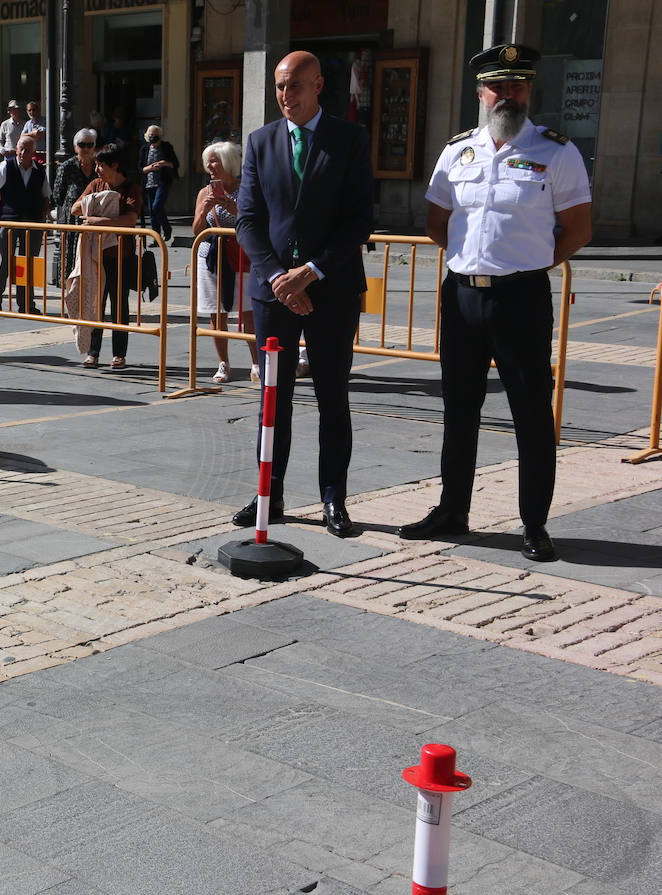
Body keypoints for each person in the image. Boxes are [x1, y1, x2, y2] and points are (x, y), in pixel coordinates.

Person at [397, 44, 592, 562]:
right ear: (480, 92)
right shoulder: (456, 151)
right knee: (459, 409)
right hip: (462, 295)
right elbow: (437, 223)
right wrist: (474, 260)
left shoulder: (558, 151)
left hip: (520, 299)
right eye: (498, 85)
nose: (508, 94)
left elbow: (578, 228)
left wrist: (526, 261)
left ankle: (534, 523)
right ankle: (451, 510)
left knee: (530, 413)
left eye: (518, 85)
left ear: (530, 90)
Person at [233, 50, 375, 537]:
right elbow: (248, 220)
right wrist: (278, 276)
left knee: (332, 397)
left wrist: (309, 272)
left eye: (293, 86)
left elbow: (359, 218)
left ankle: (333, 498)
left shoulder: (349, 139)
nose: (284, 96)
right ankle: (267, 494)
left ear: (318, 86)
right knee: (274, 399)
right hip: (273, 295)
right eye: (278, 87)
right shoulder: (260, 142)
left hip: (330, 291)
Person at [71, 141, 142, 370]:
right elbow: (74, 208)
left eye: (100, 165)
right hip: (95, 255)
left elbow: (130, 220)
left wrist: (102, 221)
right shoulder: (95, 184)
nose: (96, 169)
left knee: (119, 304)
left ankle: (119, 354)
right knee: (95, 303)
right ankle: (93, 353)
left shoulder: (131, 188)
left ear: (114, 165)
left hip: (121, 255)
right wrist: (93, 202)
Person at [192, 140, 258, 383]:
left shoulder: (247, 190)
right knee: (216, 313)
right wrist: (203, 210)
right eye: (208, 160)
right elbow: (197, 230)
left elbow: (254, 224)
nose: (210, 165)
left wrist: (234, 208)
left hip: (242, 256)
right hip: (211, 256)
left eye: (215, 160)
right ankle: (223, 363)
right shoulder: (203, 193)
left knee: (249, 311)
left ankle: (256, 363)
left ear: (229, 163)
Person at [0, 134, 50, 315]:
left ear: (33, 153)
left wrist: (43, 220)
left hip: (33, 223)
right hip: (8, 221)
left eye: (27, 149)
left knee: (28, 263)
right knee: (4, 261)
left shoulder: (40, 170)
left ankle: (26, 303)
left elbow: (46, 197)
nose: (22, 152)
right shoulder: (6, 166)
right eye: (20, 148)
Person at [51, 127, 99, 283]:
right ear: (75, 147)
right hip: (72, 223)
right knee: (70, 259)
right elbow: (58, 196)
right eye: (82, 144)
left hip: (94, 223)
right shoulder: (67, 167)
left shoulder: (99, 167)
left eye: (89, 145)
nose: (86, 148)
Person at [139, 125, 179, 241]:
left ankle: (167, 229)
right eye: (151, 135)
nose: (153, 137)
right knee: (152, 211)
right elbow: (140, 169)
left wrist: (164, 163)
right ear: (147, 136)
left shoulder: (166, 147)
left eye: (155, 135)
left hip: (163, 182)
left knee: (157, 206)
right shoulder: (144, 149)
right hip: (149, 183)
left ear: (160, 136)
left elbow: (175, 164)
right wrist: (151, 167)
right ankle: (156, 238)